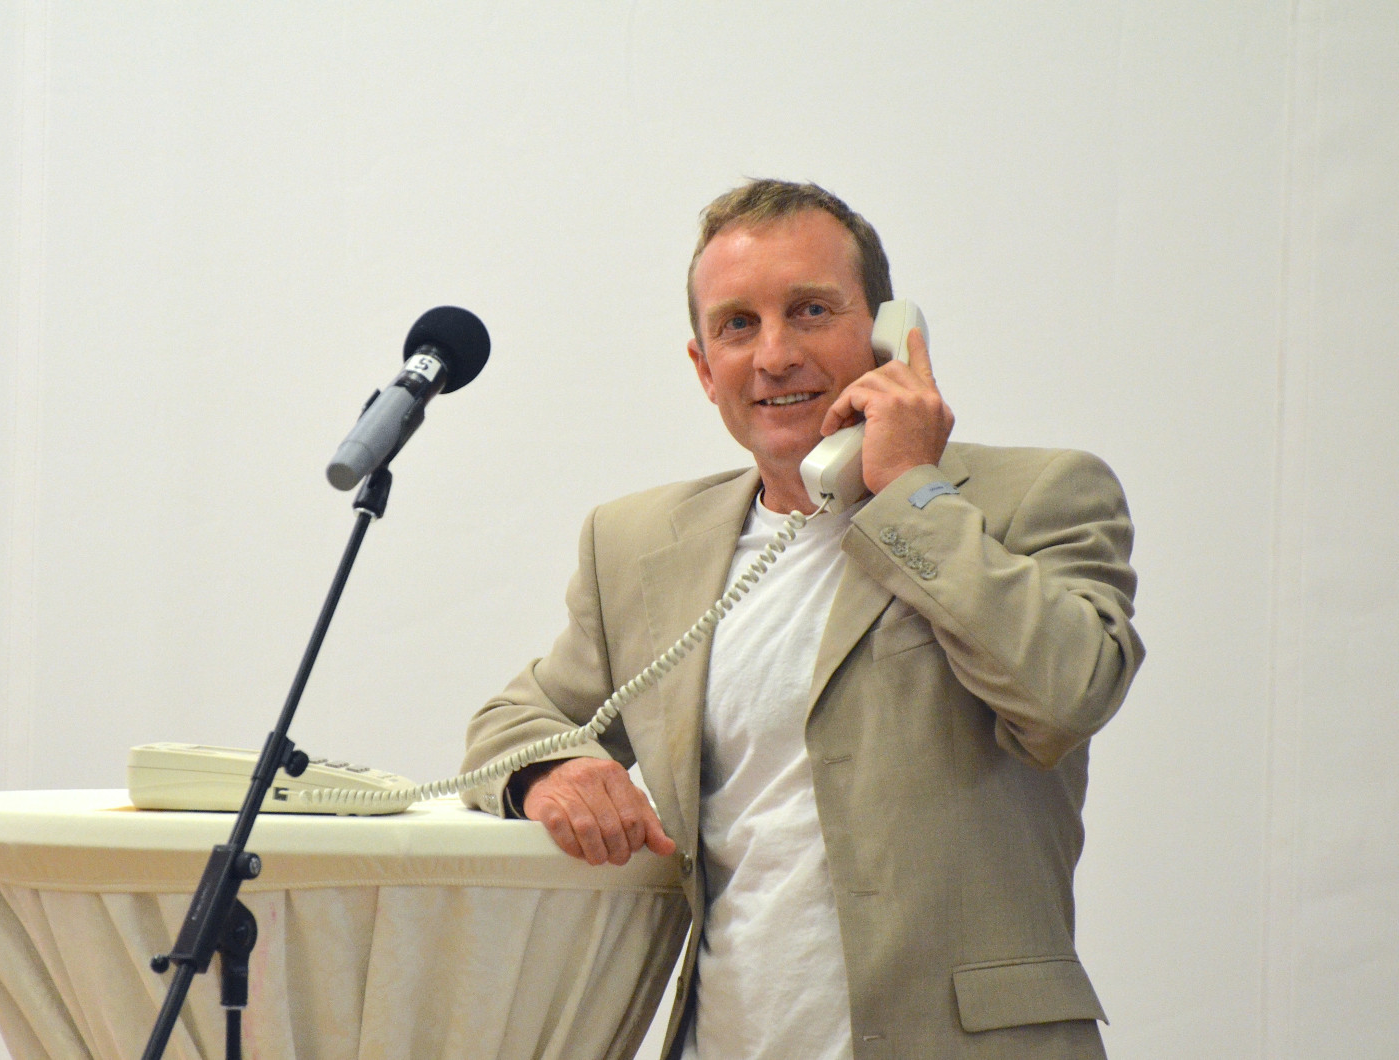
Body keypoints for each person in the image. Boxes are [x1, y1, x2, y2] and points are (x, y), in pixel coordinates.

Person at [460, 179, 1143, 1060]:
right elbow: (513, 721)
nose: (774, 354)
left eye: (811, 311)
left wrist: (910, 490)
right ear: (704, 368)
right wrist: (549, 773)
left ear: (891, 338)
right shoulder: (636, 544)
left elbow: (1067, 695)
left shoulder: (1039, 495)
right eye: (737, 325)